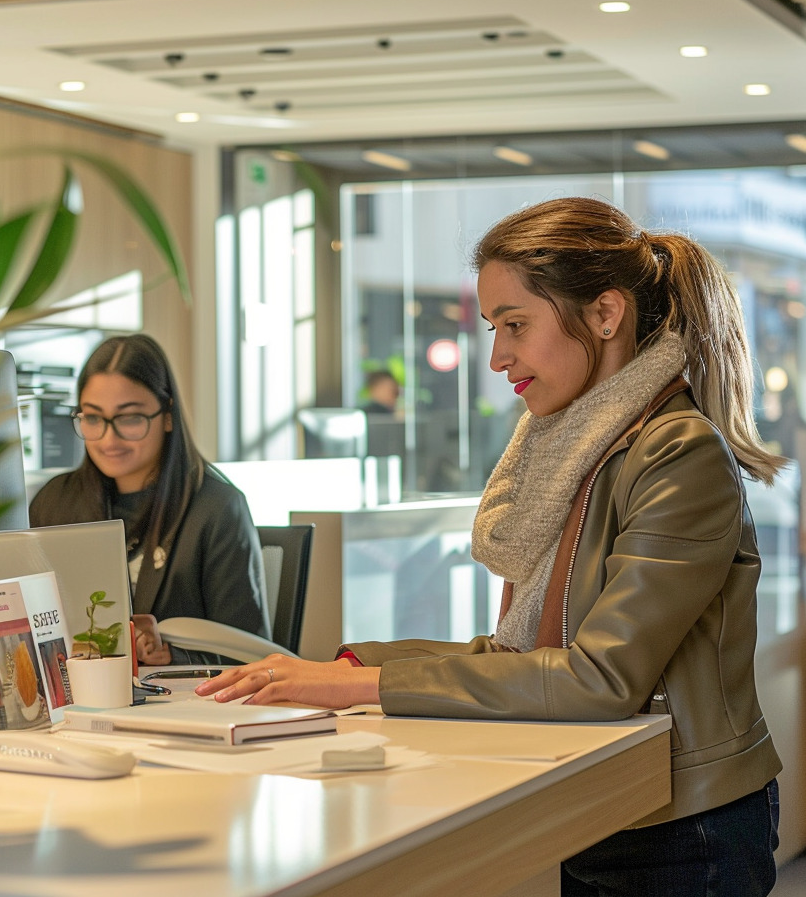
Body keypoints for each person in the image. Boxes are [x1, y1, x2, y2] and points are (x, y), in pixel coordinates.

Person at [198, 197, 783, 896]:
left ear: (605, 314)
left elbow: (598, 678)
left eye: (515, 325)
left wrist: (361, 684)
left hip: (685, 826)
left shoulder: (676, 453)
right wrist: (345, 665)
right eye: (493, 328)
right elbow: (528, 661)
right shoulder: (581, 449)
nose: (498, 356)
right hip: (613, 803)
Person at [29, 333, 268, 665]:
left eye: (129, 418)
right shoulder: (55, 501)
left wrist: (171, 656)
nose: (109, 438)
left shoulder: (216, 508)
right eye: (93, 418)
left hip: (186, 708)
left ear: (167, 415)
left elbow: (250, 655)